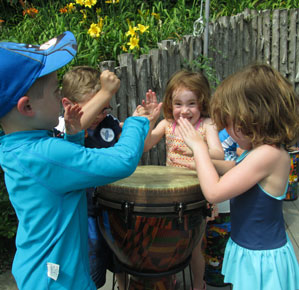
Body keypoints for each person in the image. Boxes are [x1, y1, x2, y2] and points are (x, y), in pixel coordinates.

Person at [0, 31, 160, 290]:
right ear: (27, 107)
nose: (60, 98)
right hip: (59, 281)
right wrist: (137, 122)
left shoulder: (15, 147)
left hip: (43, 270)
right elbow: (122, 161)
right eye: (55, 93)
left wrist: (74, 137)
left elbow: (56, 177)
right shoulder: (46, 154)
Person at [178, 63, 299, 290]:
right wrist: (201, 162)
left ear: (251, 117)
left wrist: (199, 149)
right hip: (251, 249)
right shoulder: (260, 151)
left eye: (230, 121)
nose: (228, 128)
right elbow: (235, 169)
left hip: (261, 258)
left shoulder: (267, 155)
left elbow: (214, 191)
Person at [141, 70, 224, 290]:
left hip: (197, 195)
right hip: (172, 195)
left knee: (195, 245)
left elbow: (218, 154)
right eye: (178, 104)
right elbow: (146, 144)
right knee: (169, 242)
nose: (184, 111)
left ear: (202, 103)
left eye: (191, 104)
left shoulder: (207, 125)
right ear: (170, 104)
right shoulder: (168, 124)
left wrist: (197, 147)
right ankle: (171, 278)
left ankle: (199, 284)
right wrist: (150, 120)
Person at [58, 66, 125, 290]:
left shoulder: (109, 123)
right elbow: (74, 131)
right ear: (69, 105)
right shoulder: (62, 129)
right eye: (95, 108)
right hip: (84, 212)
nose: (101, 115)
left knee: (119, 255)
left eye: (104, 108)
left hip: (111, 206)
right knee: (92, 259)